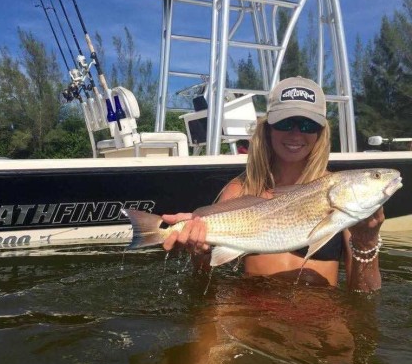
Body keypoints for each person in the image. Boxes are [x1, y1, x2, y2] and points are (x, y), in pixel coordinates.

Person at [162, 76, 384, 292]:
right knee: (206, 327)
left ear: (320, 133)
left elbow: (364, 294)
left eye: (308, 125)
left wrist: (366, 241)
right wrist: (198, 253)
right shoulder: (240, 190)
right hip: (250, 314)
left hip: (320, 317)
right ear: (268, 128)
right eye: (285, 123)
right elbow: (204, 281)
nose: (296, 133)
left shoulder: (339, 191)